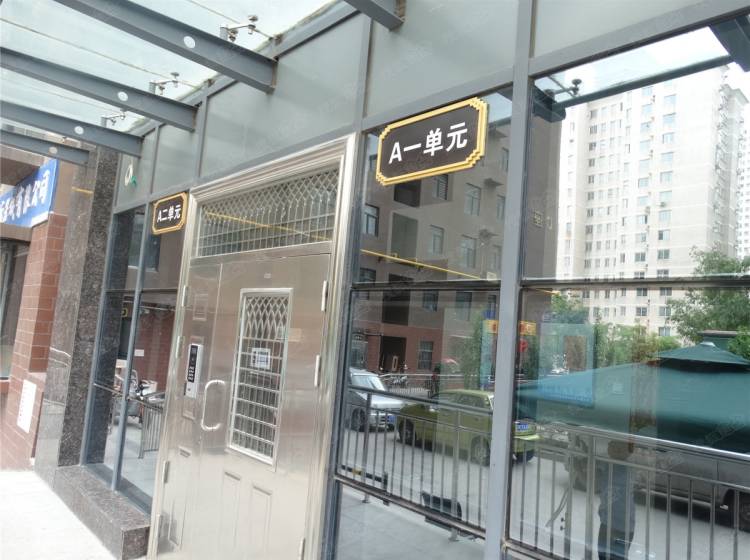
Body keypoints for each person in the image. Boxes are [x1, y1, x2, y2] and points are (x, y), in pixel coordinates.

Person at [597, 439, 636, 560]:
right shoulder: (611, 465)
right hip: (612, 522)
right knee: (607, 555)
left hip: (619, 525)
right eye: (612, 444)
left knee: (609, 556)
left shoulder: (622, 469)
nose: (614, 448)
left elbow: (600, 487)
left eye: (619, 446)